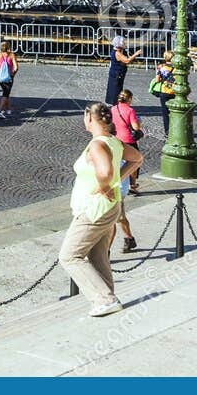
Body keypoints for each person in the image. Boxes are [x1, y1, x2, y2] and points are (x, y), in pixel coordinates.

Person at [58, 102, 140, 317]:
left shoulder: (97, 145)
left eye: (84, 117)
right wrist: (116, 180)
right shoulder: (114, 142)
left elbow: (104, 171)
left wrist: (105, 186)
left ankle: (105, 299)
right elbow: (137, 158)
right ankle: (107, 294)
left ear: (90, 119)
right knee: (97, 255)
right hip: (109, 208)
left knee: (69, 256)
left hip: (94, 209)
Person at [111, 88, 143, 197]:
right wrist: (139, 121)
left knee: (117, 162)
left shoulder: (113, 109)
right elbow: (136, 127)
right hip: (128, 141)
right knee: (134, 162)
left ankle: (117, 182)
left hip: (116, 139)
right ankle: (132, 186)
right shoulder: (130, 110)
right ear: (129, 99)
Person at [104, 35, 140, 105]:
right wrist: (135, 54)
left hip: (116, 73)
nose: (125, 44)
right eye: (123, 43)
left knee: (116, 89)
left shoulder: (117, 51)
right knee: (116, 91)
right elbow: (127, 60)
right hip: (117, 74)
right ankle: (116, 105)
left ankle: (115, 104)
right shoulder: (117, 53)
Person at [149, 51, 176, 134]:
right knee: (174, 112)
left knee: (165, 113)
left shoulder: (162, 68)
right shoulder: (177, 68)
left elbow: (157, 80)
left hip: (164, 91)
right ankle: (175, 130)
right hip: (174, 91)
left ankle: (167, 131)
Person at [0, 41, 19, 119]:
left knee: (6, 92)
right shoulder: (11, 55)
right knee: (6, 94)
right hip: (9, 77)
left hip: (0, 78)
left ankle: (8, 109)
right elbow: (16, 67)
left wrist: (2, 69)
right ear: (9, 47)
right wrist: (12, 74)